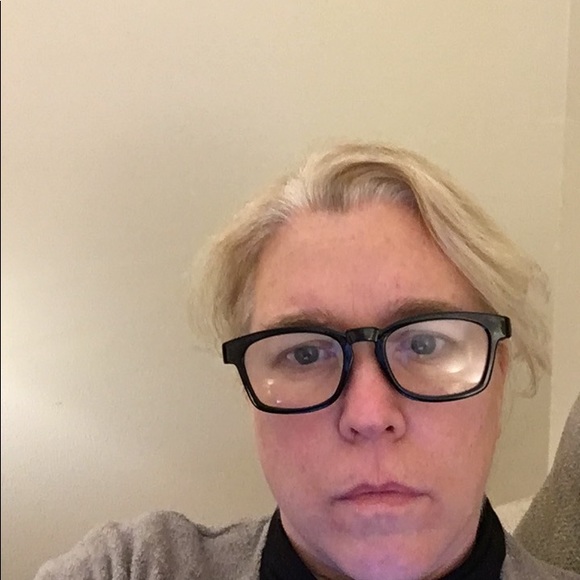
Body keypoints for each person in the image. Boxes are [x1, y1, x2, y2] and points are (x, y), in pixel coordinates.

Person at [35, 143, 579, 579]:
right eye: (305, 353)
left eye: (424, 345)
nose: (368, 415)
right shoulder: (134, 567)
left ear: (498, 373)